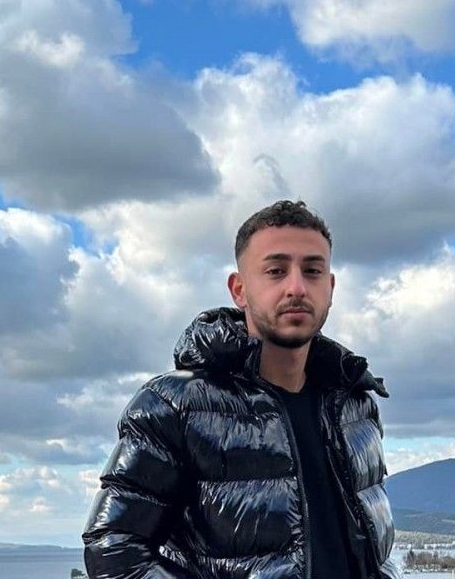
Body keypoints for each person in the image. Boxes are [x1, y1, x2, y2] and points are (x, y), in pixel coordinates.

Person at [83, 200, 400, 578]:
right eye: (276, 271)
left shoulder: (355, 405)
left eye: (312, 271)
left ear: (330, 288)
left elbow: (375, 553)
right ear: (239, 289)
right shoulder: (175, 406)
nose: (297, 287)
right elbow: (113, 549)